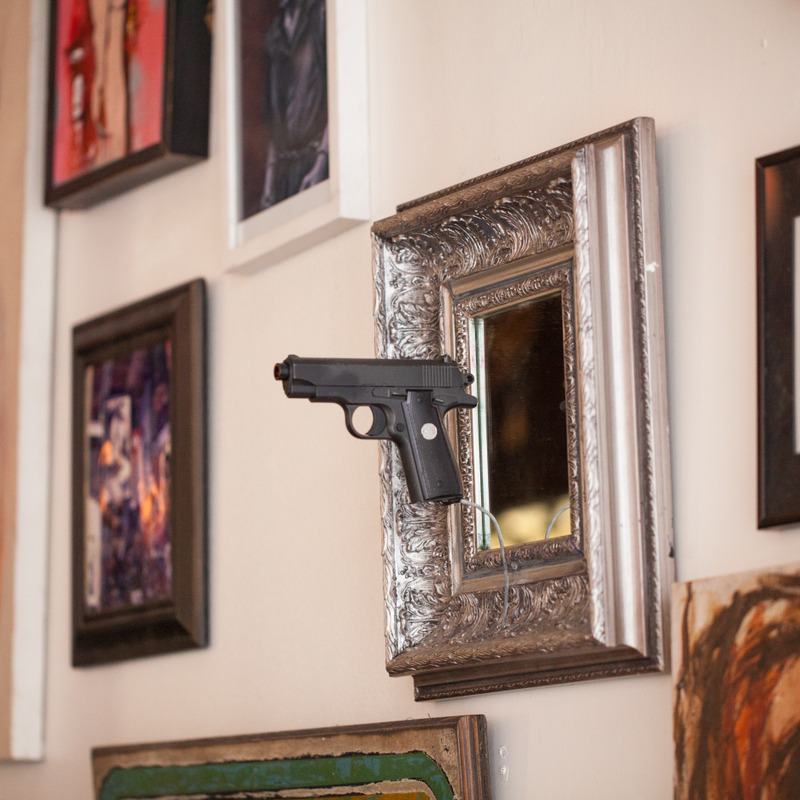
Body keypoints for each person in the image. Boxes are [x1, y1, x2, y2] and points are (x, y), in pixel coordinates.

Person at [261, 0, 329, 209]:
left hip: (315, 163)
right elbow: (274, 116)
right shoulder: (276, 30)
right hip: (284, 174)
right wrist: (270, 180)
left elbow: (340, 96)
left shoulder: (321, 13)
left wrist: (321, 163)